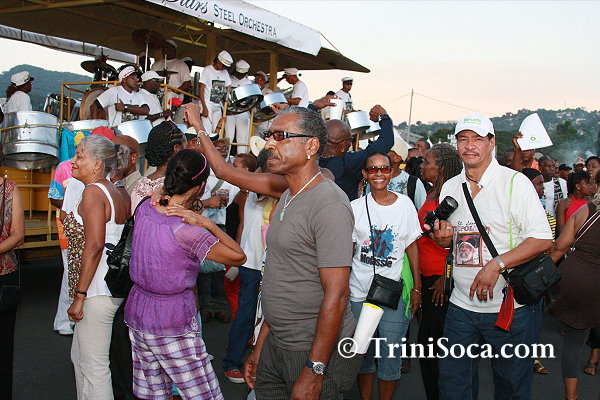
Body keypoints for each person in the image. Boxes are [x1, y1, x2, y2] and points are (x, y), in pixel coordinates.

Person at [428, 113, 552, 400]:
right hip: (461, 305)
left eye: (477, 139)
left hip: (509, 308)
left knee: (511, 387)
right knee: (453, 387)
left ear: (491, 142)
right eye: (463, 139)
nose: (469, 145)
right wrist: (443, 241)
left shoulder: (515, 183)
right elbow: (453, 242)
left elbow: (542, 239)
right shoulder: (451, 186)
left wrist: (497, 264)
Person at [125, 149, 245, 400]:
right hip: (172, 320)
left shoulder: (146, 206)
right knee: (204, 395)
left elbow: (166, 195)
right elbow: (238, 256)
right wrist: (207, 223)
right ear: (201, 186)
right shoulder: (188, 230)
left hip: (137, 312)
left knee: (153, 394)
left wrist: (163, 191)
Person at [349, 152, 422, 400]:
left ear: (391, 172)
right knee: (363, 355)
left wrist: (417, 288)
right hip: (359, 293)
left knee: (391, 355)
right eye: (372, 169)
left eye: (384, 168)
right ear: (365, 174)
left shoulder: (405, 204)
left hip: (393, 294)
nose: (378, 173)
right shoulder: (355, 208)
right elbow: (348, 250)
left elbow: (412, 246)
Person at [64, 135, 130, 399]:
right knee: (80, 357)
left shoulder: (93, 192)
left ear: (97, 164)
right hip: (107, 286)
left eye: (80, 155)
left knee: (95, 366)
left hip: (96, 288)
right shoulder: (115, 191)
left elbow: (94, 246)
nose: (73, 161)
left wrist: (80, 295)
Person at [416, 143, 462, 400]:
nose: (422, 166)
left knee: (433, 347)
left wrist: (447, 278)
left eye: (427, 162)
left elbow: (461, 241)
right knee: (429, 346)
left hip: (440, 283)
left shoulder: (452, 197)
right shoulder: (433, 193)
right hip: (427, 278)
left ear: (441, 168)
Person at [547, 182, 600, 400]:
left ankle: (571, 396)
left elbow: (559, 247)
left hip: (576, 279)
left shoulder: (586, 210)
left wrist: (540, 276)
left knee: (573, 342)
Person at [319, 106, 394, 200]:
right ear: (343, 144)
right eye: (350, 139)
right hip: (343, 209)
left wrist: (313, 106)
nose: (351, 144)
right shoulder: (350, 163)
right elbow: (386, 141)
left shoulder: (309, 159)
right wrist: (384, 117)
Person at [0, 175, 25, 399]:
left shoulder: (9, 188)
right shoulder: (9, 188)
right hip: (5, 273)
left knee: (3, 347)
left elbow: (18, 236)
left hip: (4, 277)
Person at [130, 122, 187, 212]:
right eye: (185, 144)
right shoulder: (177, 185)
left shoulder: (140, 185)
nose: (187, 149)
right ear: (177, 148)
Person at [365, 136, 427, 210]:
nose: (380, 153)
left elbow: (423, 212)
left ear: (397, 158)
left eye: (385, 150)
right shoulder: (374, 179)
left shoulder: (413, 183)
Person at [199, 50, 233, 134]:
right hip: (207, 104)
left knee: (218, 131)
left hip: (218, 105)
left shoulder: (225, 72)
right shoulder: (208, 70)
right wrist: (204, 107)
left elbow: (229, 88)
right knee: (207, 130)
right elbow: (201, 89)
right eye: (223, 66)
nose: (224, 68)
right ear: (218, 62)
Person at [225, 60, 253, 151]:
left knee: (242, 138)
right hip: (230, 112)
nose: (241, 76)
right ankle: (225, 157)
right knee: (228, 137)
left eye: (243, 74)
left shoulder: (249, 83)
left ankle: (241, 157)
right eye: (239, 74)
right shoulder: (229, 79)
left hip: (243, 112)